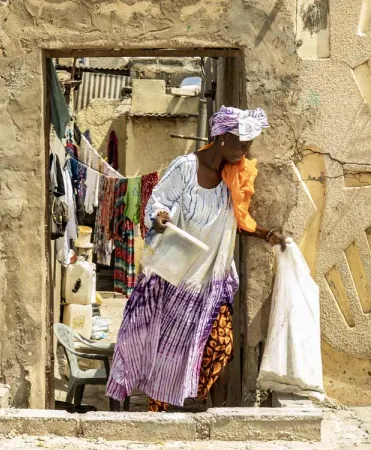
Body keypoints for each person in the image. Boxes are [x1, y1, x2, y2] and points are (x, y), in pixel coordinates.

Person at [105, 106, 288, 411]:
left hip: (208, 285)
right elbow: (159, 202)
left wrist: (266, 234)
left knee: (220, 346)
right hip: (170, 277)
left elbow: (235, 221)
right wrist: (160, 218)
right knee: (142, 343)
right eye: (241, 143)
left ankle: (195, 405)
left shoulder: (234, 176)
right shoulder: (185, 168)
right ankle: (126, 414)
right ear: (221, 137)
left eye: (249, 144)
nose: (246, 150)